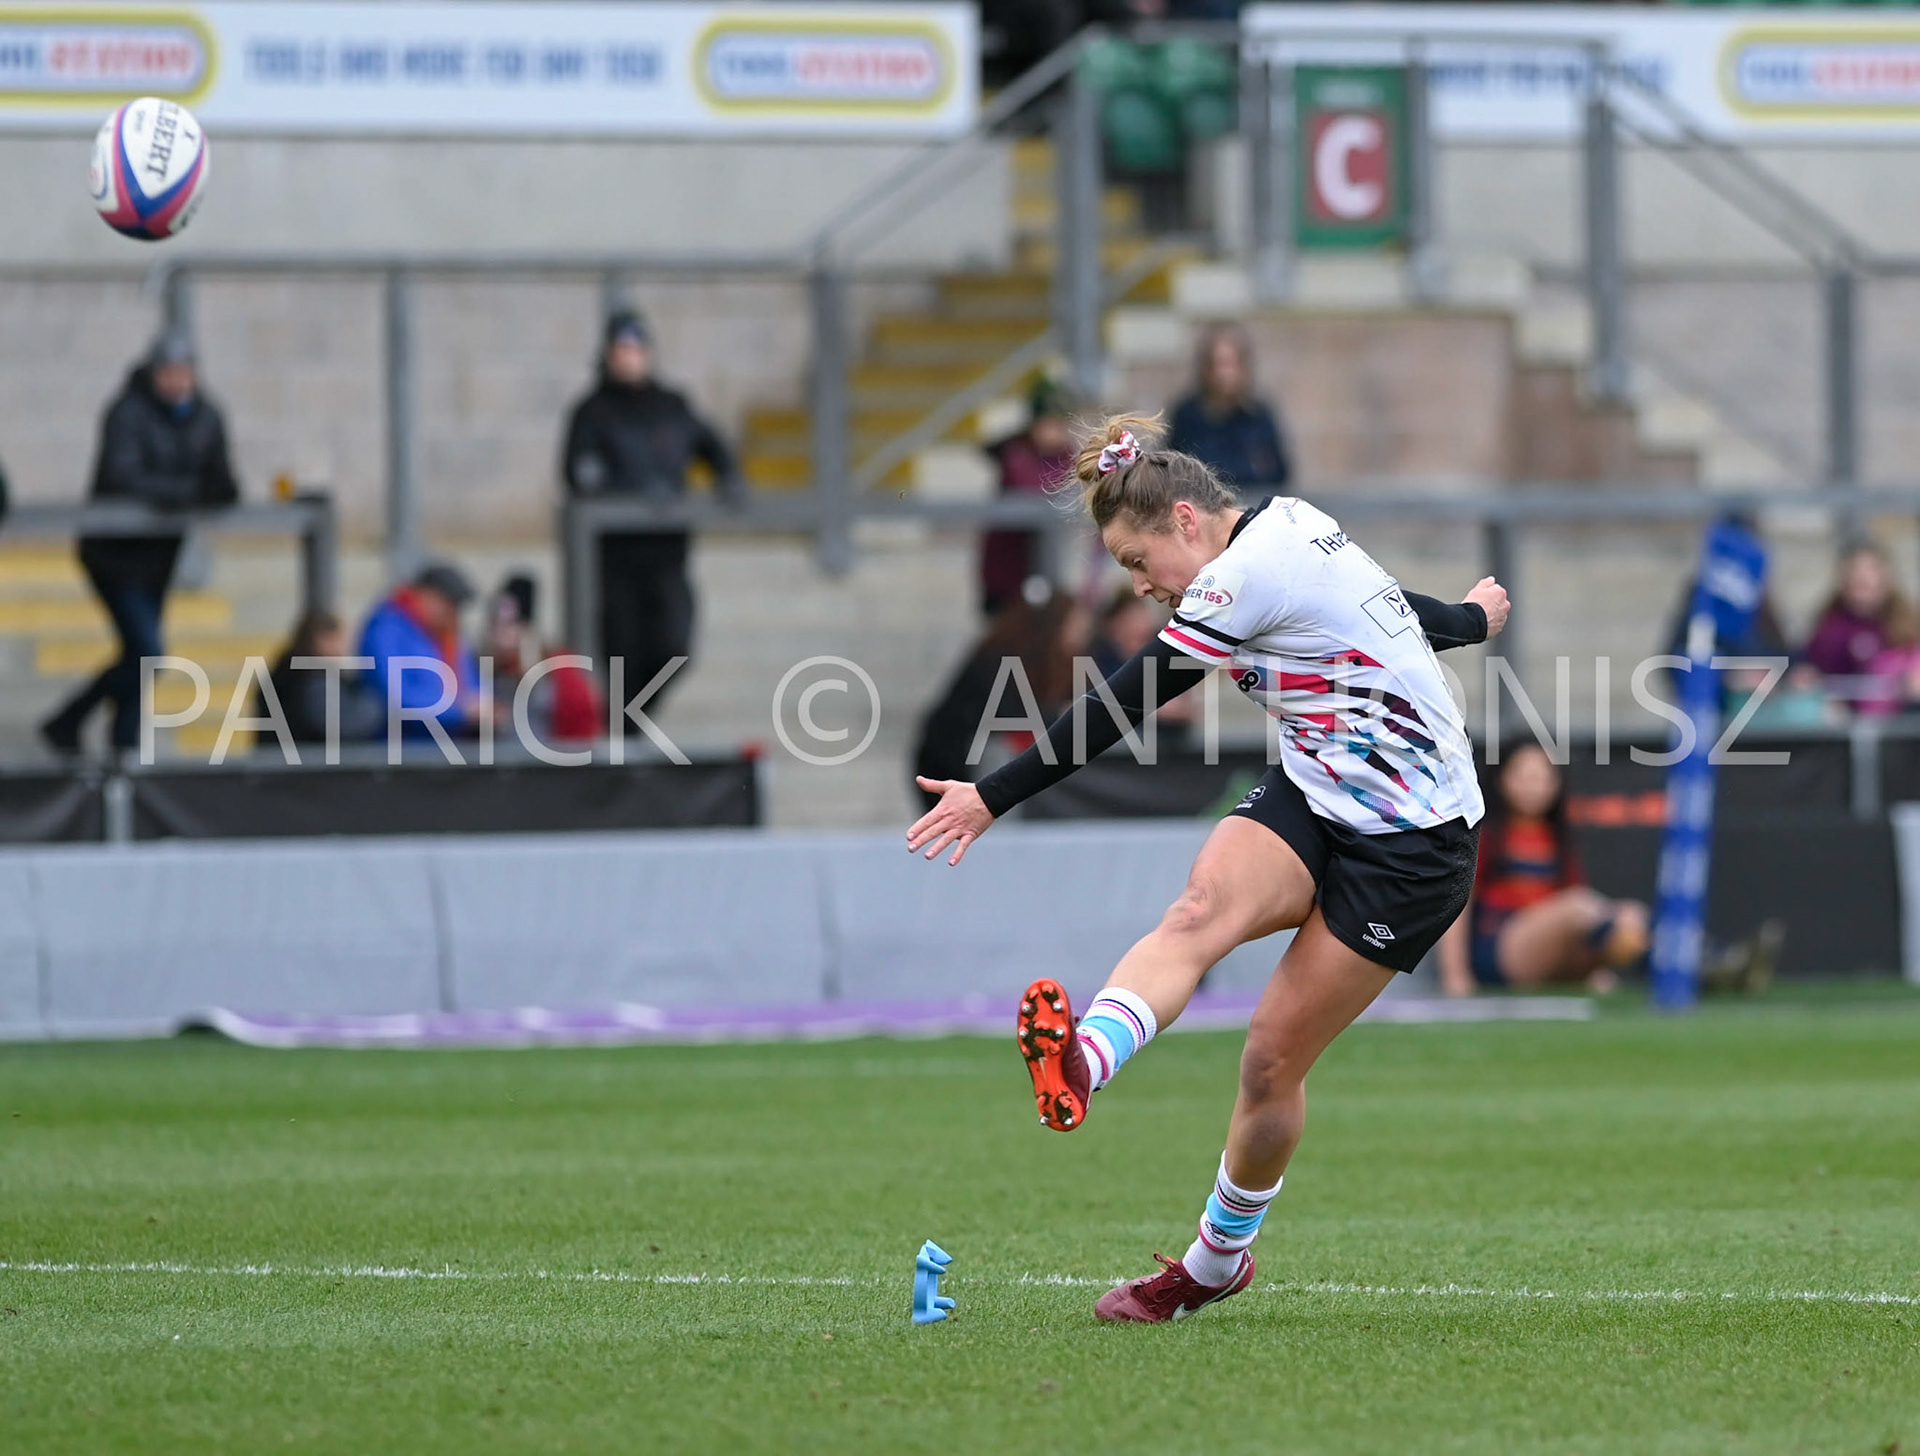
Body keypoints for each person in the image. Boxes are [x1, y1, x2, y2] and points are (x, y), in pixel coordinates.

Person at [908, 413, 1507, 1324]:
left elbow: (1125, 703)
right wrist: (1471, 618)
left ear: (1186, 520)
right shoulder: (1290, 523)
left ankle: (1214, 1261)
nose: (1140, 586)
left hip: (1413, 844)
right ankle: (1081, 1064)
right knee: (1195, 914)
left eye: (1137, 560)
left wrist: (992, 794)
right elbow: (1393, 605)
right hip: (1315, 792)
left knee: (1270, 1061)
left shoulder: (1239, 579)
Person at [40, 332, 239, 755]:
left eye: (184, 372)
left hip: (159, 556)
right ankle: (82, 724)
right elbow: (122, 477)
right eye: (169, 372)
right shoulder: (128, 412)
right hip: (115, 555)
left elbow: (222, 480)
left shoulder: (205, 416)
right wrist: (188, 491)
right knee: (149, 650)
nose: (177, 382)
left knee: (140, 655)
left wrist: (205, 489)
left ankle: (116, 742)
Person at [562, 309, 744, 720]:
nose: (629, 357)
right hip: (618, 563)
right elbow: (579, 471)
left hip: (667, 556)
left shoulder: (670, 405)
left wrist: (728, 476)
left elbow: (710, 444)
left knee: (674, 648)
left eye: (635, 348)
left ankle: (632, 720)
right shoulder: (593, 411)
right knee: (622, 657)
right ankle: (626, 731)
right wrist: (627, 494)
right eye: (621, 349)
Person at [1437, 741, 1647, 997]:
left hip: (1550, 951)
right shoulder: (1487, 835)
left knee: (1632, 914)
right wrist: (1455, 974)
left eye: (1542, 778)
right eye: (1525, 777)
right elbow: (1458, 904)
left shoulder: (1557, 837)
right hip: (1500, 946)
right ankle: (1653, 958)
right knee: (1581, 908)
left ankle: (1664, 958)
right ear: (1503, 779)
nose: (1534, 788)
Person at [912, 582, 1086, 810]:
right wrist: (1058, 714)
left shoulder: (1055, 665)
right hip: (955, 767)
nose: (1081, 632)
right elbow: (1006, 720)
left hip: (980, 770)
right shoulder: (997, 662)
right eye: (1072, 624)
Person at [980, 378, 1078, 615]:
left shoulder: (1066, 454)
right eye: (1051, 423)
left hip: (1045, 570)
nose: (1058, 430)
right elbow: (1036, 491)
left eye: (1061, 423)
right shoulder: (1017, 455)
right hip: (1008, 576)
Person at [358, 561, 484, 741]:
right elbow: (395, 696)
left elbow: (471, 681)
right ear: (426, 595)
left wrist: (483, 705)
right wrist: (460, 711)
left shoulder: (445, 634)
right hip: (402, 751)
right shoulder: (386, 628)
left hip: (449, 749)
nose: (454, 613)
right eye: (449, 603)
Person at [1167, 324, 1291, 491]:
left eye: (1230, 364)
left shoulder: (1258, 416)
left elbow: (1279, 475)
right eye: (1218, 364)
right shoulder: (1187, 416)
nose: (1224, 373)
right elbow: (1172, 473)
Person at [1801, 542, 1920, 715]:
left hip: (1901, 719)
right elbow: (1812, 669)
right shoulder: (1829, 628)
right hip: (1842, 720)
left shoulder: (1907, 625)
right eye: (1854, 571)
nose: (1862, 577)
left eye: (1870, 570)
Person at [484, 573, 604, 745]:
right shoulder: (489, 670)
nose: (499, 637)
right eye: (495, 627)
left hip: (554, 763)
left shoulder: (558, 668)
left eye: (508, 627)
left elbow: (583, 720)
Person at [256, 608, 381, 748]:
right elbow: (340, 726)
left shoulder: (285, 675)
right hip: (304, 766)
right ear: (320, 639)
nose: (341, 649)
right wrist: (382, 707)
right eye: (337, 640)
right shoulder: (311, 683)